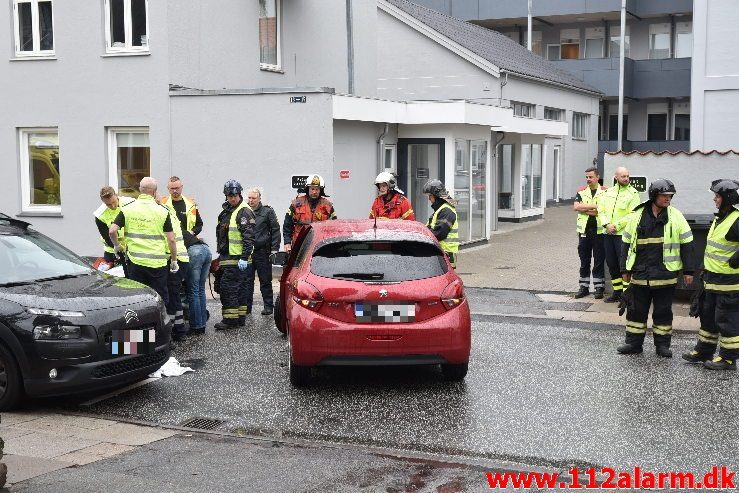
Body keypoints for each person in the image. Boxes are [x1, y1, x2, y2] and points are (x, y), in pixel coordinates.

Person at [617, 179, 694, 357]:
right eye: (664, 196)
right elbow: (626, 244)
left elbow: (687, 244)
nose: (668, 199)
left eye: (670, 196)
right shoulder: (636, 216)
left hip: (665, 274)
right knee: (636, 311)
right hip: (641, 274)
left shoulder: (676, 216)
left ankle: (662, 346)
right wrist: (624, 269)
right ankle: (633, 344)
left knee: (663, 313)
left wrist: (689, 271)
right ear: (654, 196)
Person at [682, 179, 739, 370]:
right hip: (711, 279)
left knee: (727, 320)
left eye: (717, 196)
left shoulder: (736, 219)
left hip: (729, 283)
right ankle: (704, 351)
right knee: (708, 317)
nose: (714, 199)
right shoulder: (720, 217)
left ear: (727, 198)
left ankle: (728, 359)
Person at [108, 177, 178, 304]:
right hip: (158, 264)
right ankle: (161, 322)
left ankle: (142, 322)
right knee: (160, 298)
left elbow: (112, 231)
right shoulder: (162, 211)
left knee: (138, 298)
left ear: (140, 190)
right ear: (155, 192)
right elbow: (172, 239)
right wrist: (174, 260)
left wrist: (117, 246)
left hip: (136, 263)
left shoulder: (128, 209)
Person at [161, 177, 205, 339]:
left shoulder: (190, 204)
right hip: (173, 250)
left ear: (182, 187)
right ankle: (182, 324)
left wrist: (190, 235)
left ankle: (188, 324)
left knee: (191, 288)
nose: (175, 191)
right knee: (180, 289)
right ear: (168, 188)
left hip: (187, 248)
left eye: (177, 188)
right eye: (172, 188)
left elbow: (199, 224)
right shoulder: (163, 202)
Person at [214, 179, 256, 330]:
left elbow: (249, 237)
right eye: (229, 195)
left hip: (237, 259)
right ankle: (239, 318)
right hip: (228, 257)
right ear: (226, 196)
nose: (233, 198)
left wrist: (244, 257)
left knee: (228, 288)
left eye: (235, 195)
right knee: (239, 288)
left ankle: (230, 320)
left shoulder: (243, 211)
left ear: (239, 194)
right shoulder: (228, 211)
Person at [598, 166, 641, 303]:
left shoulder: (633, 193)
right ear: (616, 177)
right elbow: (601, 210)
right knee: (612, 264)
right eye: (623, 176)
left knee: (624, 266)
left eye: (628, 176)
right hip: (608, 233)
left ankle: (626, 296)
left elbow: (633, 215)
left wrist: (616, 226)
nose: (626, 179)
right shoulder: (608, 192)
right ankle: (616, 292)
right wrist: (606, 225)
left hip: (622, 235)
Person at [245, 187, 280, 316]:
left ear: (259, 198)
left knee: (265, 280)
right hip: (248, 252)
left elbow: (275, 230)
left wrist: (274, 249)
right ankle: (247, 307)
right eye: (249, 198)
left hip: (262, 252)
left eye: (254, 198)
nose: (251, 200)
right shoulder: (244, 211)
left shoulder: (267, 212)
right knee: (247, 281)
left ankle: (268, 306)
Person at [572, 167, 607, 299]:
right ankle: (583, 287)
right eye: (586, 177)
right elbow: (576, 207)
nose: (588, 179)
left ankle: (599, 288)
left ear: (597, 177)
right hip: (584, 231)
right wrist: (595, 207)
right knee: (584, 260)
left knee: (599, 260)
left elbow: (604, 209)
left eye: (590, 177)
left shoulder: (605, 192)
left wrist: (585, 208)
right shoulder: (581, 191)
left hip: (599, 231)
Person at [283, 174, 336, 253]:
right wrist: (287, 243)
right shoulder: (296, 203)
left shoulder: (327, 205)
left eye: (317, 189)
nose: (314, 191)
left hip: (320, 245)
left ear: (320, 190)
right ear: (307, 189)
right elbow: (287, 225)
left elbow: (333, 226)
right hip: (299, 244)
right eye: (312, 189)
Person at [94, 187, 135, 273]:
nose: (112, 206)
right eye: (108, 204)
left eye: (114, 202)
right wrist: (117, 248)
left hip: (132, 246)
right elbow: (107, 237)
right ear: (103, 201)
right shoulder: (100, 214)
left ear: (117, 196)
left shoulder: (130, 203)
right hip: (112, 249)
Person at [423, 179, 459, 268]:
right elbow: (429, 228)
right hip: (441, 253)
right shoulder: (440, 209)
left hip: (446, 254)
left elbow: (439, 233)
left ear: (436, 196)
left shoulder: (446, 210)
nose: (429, 199)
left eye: (430, 196)